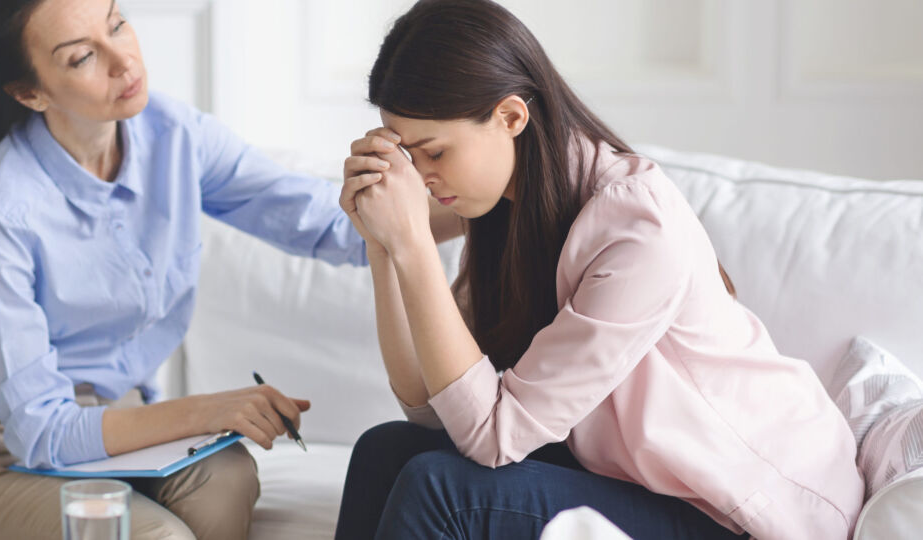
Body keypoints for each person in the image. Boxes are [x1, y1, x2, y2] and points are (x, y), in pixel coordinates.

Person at [0, 1, 460, 539]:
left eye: (117, 25)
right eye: (83, 56)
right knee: (159, 536)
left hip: (125, 426)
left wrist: (494, 202)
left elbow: (330, 223)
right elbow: (40, 430)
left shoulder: (173, 135)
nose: (124, 61)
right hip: (0, 453)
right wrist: (212, 410)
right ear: (30, 92)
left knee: (226, 479)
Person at [334, 1, 864, 538]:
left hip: (745, 512)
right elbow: (430, 408)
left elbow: (492, 436)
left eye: (435, 153)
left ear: (511, 117)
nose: (421, 179)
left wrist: (413, 244)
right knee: (385, 451)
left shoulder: (637, 229)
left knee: (441, 491)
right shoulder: (507, 210)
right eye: (408, 157)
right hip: (647, 482)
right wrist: (383, 248)